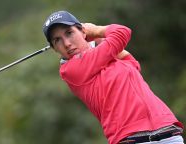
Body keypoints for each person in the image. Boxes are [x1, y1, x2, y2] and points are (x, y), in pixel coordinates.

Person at [42, 10, 184, 144]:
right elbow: (122, 32)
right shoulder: (71, 70)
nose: (67, 43)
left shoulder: (103, 59)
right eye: (57, 40)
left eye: (69, 33)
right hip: (132, 139)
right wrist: (96, 30)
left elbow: (133, 65)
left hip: (168, 132)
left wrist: (97, 39)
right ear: (55, 49)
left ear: (82, 31)